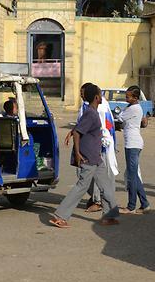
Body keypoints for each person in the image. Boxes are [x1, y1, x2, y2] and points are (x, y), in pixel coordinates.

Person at [50, 83, 120, 228]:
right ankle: (60, 216)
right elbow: (78, 132)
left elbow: (79, 128)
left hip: (96, 156)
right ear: (96, 97)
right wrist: (77, 153)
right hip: (88, 157)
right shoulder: (91, 113)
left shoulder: (92, 111)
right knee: (81, 186)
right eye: (100, 94)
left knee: (106, 185)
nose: (101, 97)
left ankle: (109, 215)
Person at [118, 85, 150, 214]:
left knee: (131, 177)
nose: (126, 98)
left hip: (133, 144)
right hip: (131, 143)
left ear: (136, 98)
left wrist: (124, 110)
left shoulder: (134, 108)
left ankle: (131, 206)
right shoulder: (132, 107)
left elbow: (120, 117)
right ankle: (145, 203)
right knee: (134, 175)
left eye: (128, 97)